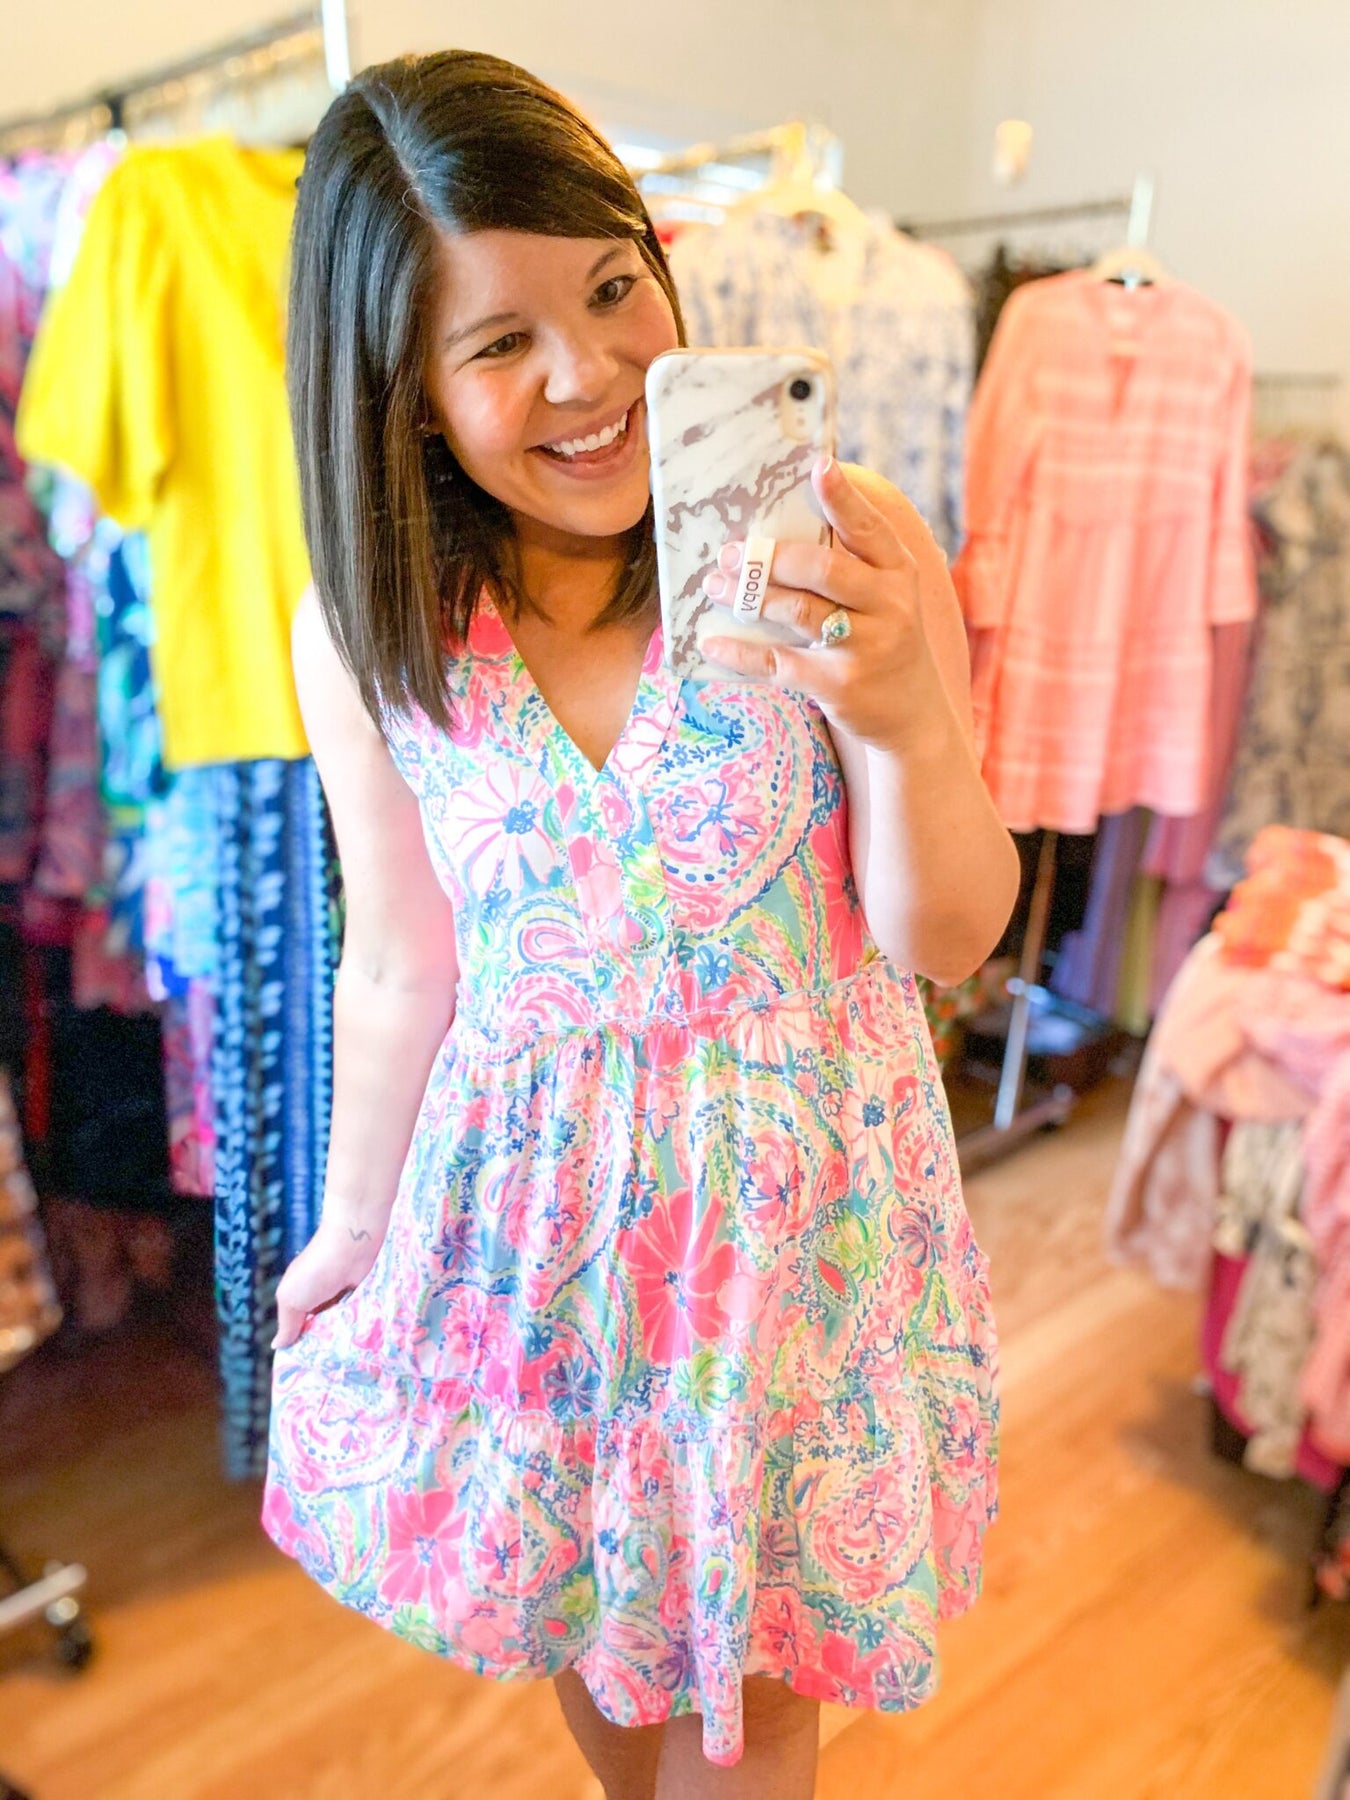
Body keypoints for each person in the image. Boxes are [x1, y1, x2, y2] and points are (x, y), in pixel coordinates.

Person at [262, 49, 1019, 1800]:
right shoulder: (376, 624)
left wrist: (903, 714)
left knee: (749, 1717)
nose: (587, 373)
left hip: (792, 1243)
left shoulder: (836, 542)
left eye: (612, 290)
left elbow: (946, 935)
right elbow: (401, 958)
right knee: (601, 1653)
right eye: (498, 342)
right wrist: (352, 1228)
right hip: (539, 1252)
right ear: (402, 391)